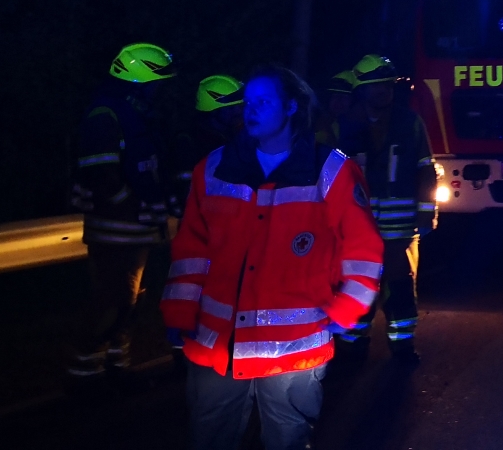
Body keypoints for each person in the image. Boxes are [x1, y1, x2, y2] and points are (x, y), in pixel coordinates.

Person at [162, 64, 383, 450]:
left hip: (293, 349)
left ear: (292, 106)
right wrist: (179, 311)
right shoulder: (213, 168)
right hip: (217, 344)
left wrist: (347, 310)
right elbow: (191, 249)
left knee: (288, 441)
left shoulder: (330, 170)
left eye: (263, 102)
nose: (251, 110)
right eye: (248, 102)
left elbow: (363, 249)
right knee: (209, 439)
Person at [67, 42, 176, 379]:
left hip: (135, 232)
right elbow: (101, 174)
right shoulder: (106, 115)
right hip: (115, 232)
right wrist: (134, 207)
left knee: (128, 303)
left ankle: (116, 368)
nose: (160, 92)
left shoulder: (134, 115)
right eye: (156, 84)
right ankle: (85, 378)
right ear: (138, 82)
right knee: (110, 304)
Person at [337, 55, 437, 364]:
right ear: (361, 90)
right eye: (376, 86)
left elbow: (425, 168)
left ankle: (402, 345)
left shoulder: (410, 122)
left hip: (398, 226)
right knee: (356, 283)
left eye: (388, 85)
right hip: (358, 225)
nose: (383, 91)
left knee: (399, 285)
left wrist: (426, 212)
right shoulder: (346, 125)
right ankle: (352, 344)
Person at [170, 75, 246, 220]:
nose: (239, 112)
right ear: (214, 110)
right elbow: (187, 193)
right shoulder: (189, 142)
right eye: (231, 108)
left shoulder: (232, 139)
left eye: (240, 106)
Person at [313, 69, 357, 148]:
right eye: (335, 96)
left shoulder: (356, 128)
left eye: (345, 97)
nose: (338, 101)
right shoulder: (314, 120)